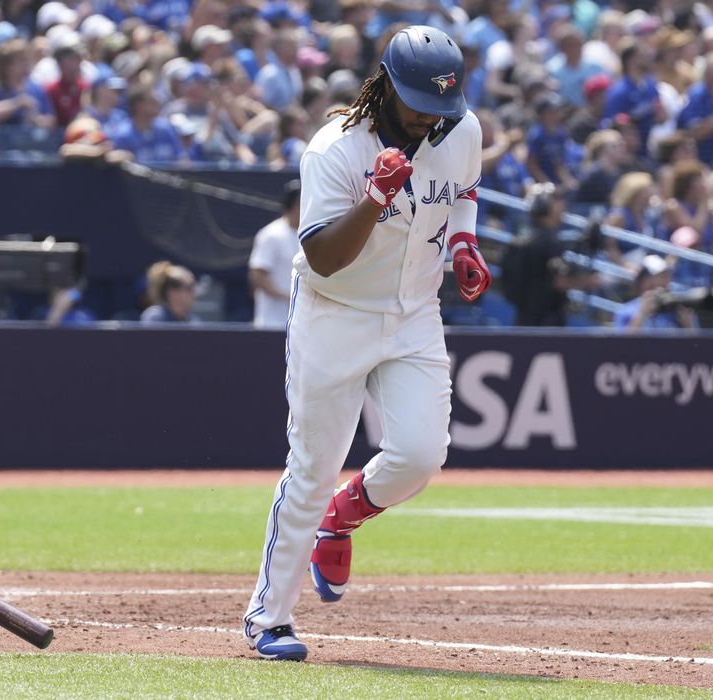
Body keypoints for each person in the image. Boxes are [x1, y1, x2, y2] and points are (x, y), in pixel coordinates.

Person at [242, 26, 490, 662]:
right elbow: (323, 258)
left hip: (414, 313)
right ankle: (269, 619)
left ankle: (341, 518)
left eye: (442, 109)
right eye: (417, 106)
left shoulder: (459, 130)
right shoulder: (335, 151)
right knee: (313, 466)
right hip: (335, 312)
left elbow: (463, 191)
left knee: (420, 454)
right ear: (385, 89)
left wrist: (464, 245)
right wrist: (377, 196)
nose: (430, 121)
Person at [502, 185, 600, 326]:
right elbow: (559, 282)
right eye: (557, 201)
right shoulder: (546, 243)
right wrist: (587, 281)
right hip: (545, 321)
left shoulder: (523, 239)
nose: (563, 207)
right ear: (544, 207)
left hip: (523, 318)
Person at [248, 179, 301, 328]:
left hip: (299, 323)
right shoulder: (271, 234)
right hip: (272, 322)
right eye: (300, 203)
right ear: (291, 206)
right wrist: (288, 296)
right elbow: (257, 276)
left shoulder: (307, 235)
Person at [615, 254, 698, 330]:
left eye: (668, 275)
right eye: (662, 276)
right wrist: (642, 314)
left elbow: (697, 344)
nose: (667, 280)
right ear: (644, 281)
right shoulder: (626, 311)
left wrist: (688, 325)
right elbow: (624, 345)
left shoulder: (678, 309)